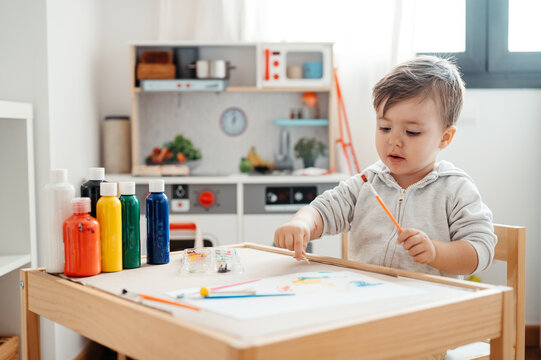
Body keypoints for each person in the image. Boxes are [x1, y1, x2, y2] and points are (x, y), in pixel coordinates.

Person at [274, 55, 496, 278]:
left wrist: (435, 252)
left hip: (427, 306)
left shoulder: (455, 189)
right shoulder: (367, 182)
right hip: (368, 298)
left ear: (445, 137)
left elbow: (480, 250)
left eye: (412, 132)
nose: (394, 141)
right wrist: (302, 223)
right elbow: (324, 210)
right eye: (384, 128)